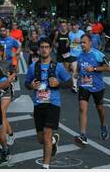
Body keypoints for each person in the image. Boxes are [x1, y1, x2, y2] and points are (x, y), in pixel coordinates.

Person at [25, 37, 72, 169]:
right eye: (42, 47)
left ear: (51, 49)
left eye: (47, 47)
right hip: (38, 104)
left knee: (46, 134)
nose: (44, 49)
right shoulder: (33, 67)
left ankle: (45, 166)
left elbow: (70, 83)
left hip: (53, 104)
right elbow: (26, 83)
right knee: (41, 138)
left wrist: (59, 83)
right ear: (39, 50)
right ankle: (53, 141)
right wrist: (31, 86)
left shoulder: (59, 67)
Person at [74, 34, 110, 146]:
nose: (82, 45)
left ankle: (104, 125)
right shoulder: (80, 56)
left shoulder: (97, 54)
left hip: (97, 86)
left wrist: (94, 68)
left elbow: (108, 67)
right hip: (84, 86)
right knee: (82, 108)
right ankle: (83, 134)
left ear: (90, 43)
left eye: (84, 42)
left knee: (99, 108)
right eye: (81, 42)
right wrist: (76, 73)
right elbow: (79, 68)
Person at [0, 43, 17, 147]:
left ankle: (4, 138)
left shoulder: (7, 64)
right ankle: (11, 134)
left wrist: (11, 78)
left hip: (6, 91)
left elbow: (14, 74)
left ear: (1, 53)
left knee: (1, 112)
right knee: (2, 116)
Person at [68, 22, 85, 93]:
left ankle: (82, 84)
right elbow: (70, 45)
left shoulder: (82, 33)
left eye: (75, 25)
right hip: (73, 55)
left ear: (78, 25)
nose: (74, 27)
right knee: (75, 70)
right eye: (73, 25)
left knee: (82, 71)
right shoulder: (70, 33)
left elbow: (85, 42)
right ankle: (74, 86)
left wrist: (80, 41)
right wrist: (73, 43)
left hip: (81, 55)